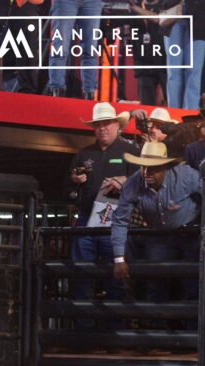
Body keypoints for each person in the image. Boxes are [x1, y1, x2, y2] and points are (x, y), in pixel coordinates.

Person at [112, 142, 201, 327]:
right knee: (156, 280)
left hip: (191, 232)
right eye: (144, 167)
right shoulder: (134, 182)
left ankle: (194, 336)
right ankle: (157, 333)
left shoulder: (186, 175)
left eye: (153, 168)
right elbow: (120, 219)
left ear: (165, 168)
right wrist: (119, 258)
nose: (147, 172)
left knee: (194, 282)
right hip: (160, 234)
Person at [67, 103, 138, 327]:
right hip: (88, 219)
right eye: (98, 125)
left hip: (116, 223)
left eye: (106, 123)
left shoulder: (131, 151)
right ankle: (85, 332)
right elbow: (67, 188)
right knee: (82, 276)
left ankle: (113, 332)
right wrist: (74, 181)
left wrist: (124, 182)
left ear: (117, 125)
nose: (102, 128)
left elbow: (143, 180)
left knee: (115, 278)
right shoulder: (84, 154)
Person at [46, 0, 103, 99]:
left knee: (90, 50)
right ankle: (56, 93)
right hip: (65, 2)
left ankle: (89, 96)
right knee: (60, 49)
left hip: (92, 2)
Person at [128, 0, 167, 106]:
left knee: (173, 105)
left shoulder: (166, 4)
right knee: (146, 108)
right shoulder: (131, 7)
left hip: (165, 63)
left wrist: (135, 8)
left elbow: (159, 18)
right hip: (143, 65)